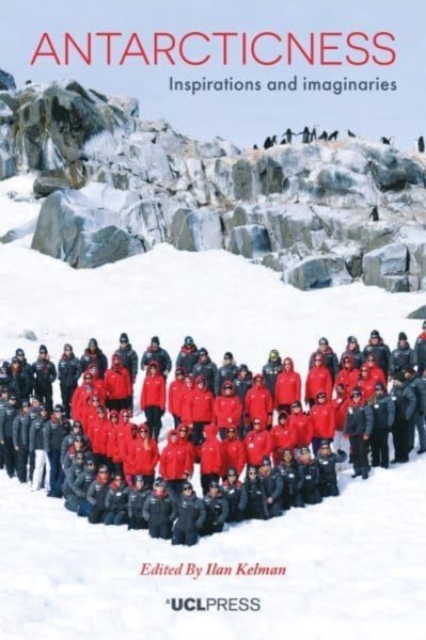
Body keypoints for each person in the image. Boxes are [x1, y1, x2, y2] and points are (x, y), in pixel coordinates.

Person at [344, 387, 373, 479]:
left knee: (362, 451)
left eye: (357, 396)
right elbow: (347, 420)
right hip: (352, 433)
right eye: (354, 396)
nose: (356, 398)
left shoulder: (365, 406)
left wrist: (367, 432)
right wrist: (345, 431)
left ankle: (365, 469)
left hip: (361, 433)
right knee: (355, 452)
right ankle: (357, 470)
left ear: (361, 396)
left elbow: (369, 420)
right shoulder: (350, 407)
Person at [159, 429, 193, 500]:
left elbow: (188, 462)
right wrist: (164, 475)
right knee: (172, 497)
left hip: (181, 478)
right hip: (169, 478)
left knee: (181, 497)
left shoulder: (183, 449)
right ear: (169, 437)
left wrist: (186, 473)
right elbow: (162, 464)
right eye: (172, 437)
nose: (174, 438)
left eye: (175, 437)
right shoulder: (166, 450)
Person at [181, 375, 215, 446]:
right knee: (195, 440)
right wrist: (190, 421)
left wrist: (213, 421)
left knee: (205, 440)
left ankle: (204, 452)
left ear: (204, 383)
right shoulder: (192, 394)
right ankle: (195, 453)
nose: (200, 384)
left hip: (206, 421)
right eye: (199, 383)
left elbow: (213, 408)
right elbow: (188, 408)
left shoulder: (209, 394)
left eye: (202, 383)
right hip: (196, 421)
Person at [368, 382, 395, 469]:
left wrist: (389, 423)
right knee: (374, 445)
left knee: (383, 445)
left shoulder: (387, 399)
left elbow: (391, 412)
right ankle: (375, 462)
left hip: (383, 426)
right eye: (377, 389)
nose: (379, 391)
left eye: (380, 389)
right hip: (374, 426)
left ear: (383, 389)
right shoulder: (372, 399)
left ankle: (384, 463)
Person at [391, 372, 416, 463]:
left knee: (403, 437)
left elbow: (413, 400)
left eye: (396, 380)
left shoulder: (407, 389)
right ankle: (397, 456)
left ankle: (404, 456)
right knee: (395, 438)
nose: (394, 382)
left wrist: (408, 413)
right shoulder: (393, 389)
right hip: (395, 417)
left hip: (403, 417)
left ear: (400, 381)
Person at [171, 482, 206, 547]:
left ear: (192, 489)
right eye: (185, 489)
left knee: (190, 547)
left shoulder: (198, 501)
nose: (187, 490)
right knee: (175, 545)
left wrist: (199, 522)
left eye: (189, 488)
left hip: (191, 528)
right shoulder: (179, 500)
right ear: (182, 491)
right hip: (179, 527)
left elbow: (203, 513)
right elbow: (175, 510)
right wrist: (172, 516)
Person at [43, 404, 67, 497]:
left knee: (61, 469)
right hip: (53, 449)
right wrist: (47, 448)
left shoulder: (66, 422)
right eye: (57, 412)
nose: (59, 413)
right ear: (54, 413)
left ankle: (58, 489)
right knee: (54, 469)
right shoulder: (50, 423)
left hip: (63, 450)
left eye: (60, 411)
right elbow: (46, 436)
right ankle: (52, 488)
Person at [140, 361, 166, 442]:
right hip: (148, 404)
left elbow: (163, 393)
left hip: (157, 405)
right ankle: (150, 437)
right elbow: (143, 392)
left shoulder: (160, 378)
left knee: (156, 421)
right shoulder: (146, 379)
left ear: (156, 369)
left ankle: (156, 437)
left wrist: (162, 405)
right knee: (149, 422)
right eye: (151, 368)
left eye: (154, 368)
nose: (152, 370)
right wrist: (142, 404)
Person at [127, 424, 159, 488]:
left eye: (145, 431)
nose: (143, 433)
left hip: (149, 472)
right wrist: (135, 465)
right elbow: (130, 457)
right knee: (138, 490)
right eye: (141, 431)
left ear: (148, 432)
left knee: (149, 489)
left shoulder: (152, 442)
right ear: (139, 432)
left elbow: (156, 455)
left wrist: (151, 466)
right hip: (138, 472)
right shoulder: (134, 443)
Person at [29, 405, 51, 492]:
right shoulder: (36, 422)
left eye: (45, 411)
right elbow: (32, 435)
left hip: (49, 447)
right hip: (39, 447)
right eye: (42, 411)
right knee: (38, 467)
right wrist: (31, 447)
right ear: (40, 412)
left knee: (49, 468)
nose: (44, 412)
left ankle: (47, 485)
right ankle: (35, 484)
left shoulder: (50, 421)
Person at [58, 344, 82, 418]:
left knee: (73, 400)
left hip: (72, 384)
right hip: (63, 384)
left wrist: (75, 378)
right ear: (64, 351)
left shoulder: (75, 360)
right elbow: (59, 370)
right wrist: (60, 377)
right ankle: (66, 415)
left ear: (71, 351)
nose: (68, 351)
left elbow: (79, 369)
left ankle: (74, 414)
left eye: (69, 350)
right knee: (65, 399)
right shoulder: (61, 360)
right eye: (66, 350)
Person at [114, 333, 138, 406]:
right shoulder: (117, 352)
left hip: (128, 377)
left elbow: (135, 366)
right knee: (120, 391)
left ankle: (129, 408)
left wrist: (134, 376)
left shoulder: (132, 353)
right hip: (119, 377)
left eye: (125, 342)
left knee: (129, 392)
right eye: (122, 342)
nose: (123, 343)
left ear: (127, 342)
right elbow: (114, 364)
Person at [0, 391, 20, 478]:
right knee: (8, 454)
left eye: (15, 399)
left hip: (15, 436)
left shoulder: (17, 409)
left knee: (16, 454)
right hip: (7, 435)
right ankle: (10, 471)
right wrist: (1, 437)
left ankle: (16, 469)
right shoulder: (4, 409)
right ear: (8, 399)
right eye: (12, 399)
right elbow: (1, 424)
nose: (14, 400)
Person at [32, 345, 57, 412]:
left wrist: (51, 380)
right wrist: (35, 381)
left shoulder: (50, 364)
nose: (43, 354)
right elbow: (31, 374)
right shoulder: (35, 364)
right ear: (39, 353)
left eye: (45, 352)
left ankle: (50, 413)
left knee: (49, 401)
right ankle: (39, 414)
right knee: (39, 401)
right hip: (38, 386)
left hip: (47, 386)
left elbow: (54, 374)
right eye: (41, 353)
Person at [200, 423, 222, 495]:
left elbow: (219, 458)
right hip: (204, 473)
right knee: (205, 490)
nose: (203, 433)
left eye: (205, 431)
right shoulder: (204, 444)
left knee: (213, 492)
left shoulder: (216, 443)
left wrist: (215, 470)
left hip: (213, 473)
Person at [12, 399, 31, 483]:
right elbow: (15, 431)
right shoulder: (18, 418)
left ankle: (30, 478)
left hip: (30, 442)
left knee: (30, 461)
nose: (26, 408)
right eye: (25, 407)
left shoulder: (32, 416)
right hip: (21, 442)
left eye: (28, 407)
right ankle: (22, 478)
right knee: (22, 461)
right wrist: (15, 443)